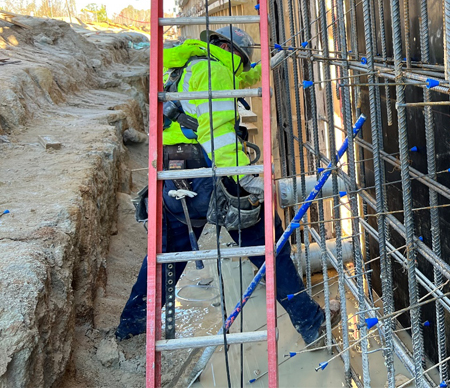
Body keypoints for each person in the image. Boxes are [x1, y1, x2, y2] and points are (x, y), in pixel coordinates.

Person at [116, 26, 337, 344]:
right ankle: (311, 323)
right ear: (231, 52)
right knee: (269, 247)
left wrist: (266, 66)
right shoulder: (216, 72)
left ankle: (133, 326)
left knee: (166, 255)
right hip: (210, 175)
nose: (243, 70)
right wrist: (245, 178)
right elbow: (218, 134)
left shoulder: (191, 64)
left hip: (175, 176)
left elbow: (236, 81)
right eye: (244, 63)